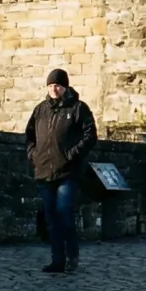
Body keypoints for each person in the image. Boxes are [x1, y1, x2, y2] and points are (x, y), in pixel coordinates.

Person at [25, 68, 97, 273]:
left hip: (67, 171)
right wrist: (33, 154)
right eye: (50, 85)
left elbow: (90, 135)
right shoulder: (40, 110)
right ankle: (57, 259)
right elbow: (29, 136)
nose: (53, 89)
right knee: (51, 218)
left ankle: (71, 255)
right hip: (44, 170)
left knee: (64, 213)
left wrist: (72, 154)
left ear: (64, 86)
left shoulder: (78, 108)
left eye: (57, 85)